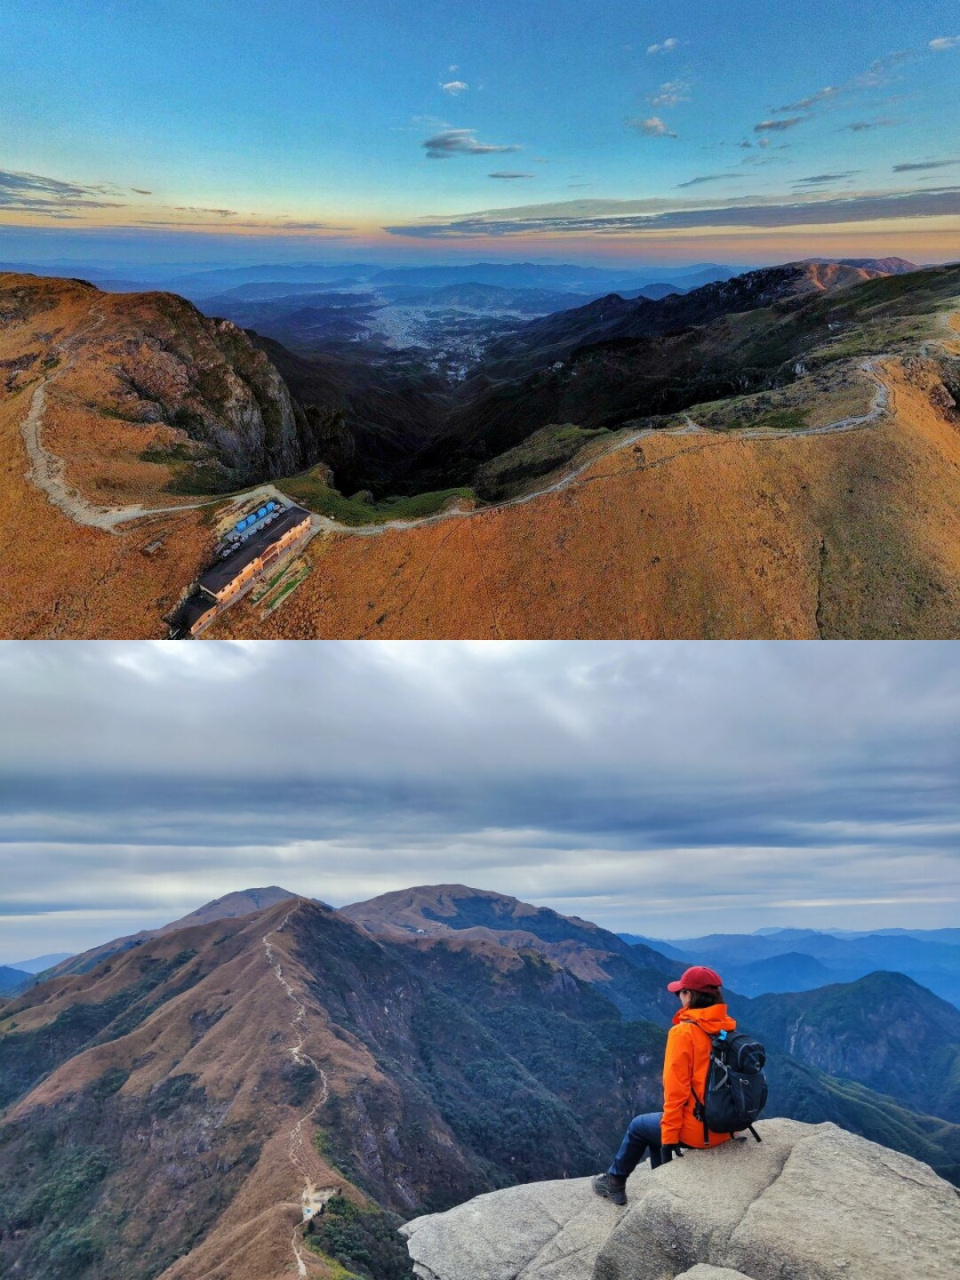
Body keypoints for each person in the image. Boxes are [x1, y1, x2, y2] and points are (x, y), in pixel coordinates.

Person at [592, 965, 736, 1206]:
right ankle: (662, 1181)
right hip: (727, 1124)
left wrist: (669, 1138)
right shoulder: (726, 1026)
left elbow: (676, 1091)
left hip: (701, 1131)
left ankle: (614, 1181)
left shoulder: (683, 1033)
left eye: (681, 992)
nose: (678, 996)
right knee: (653, 1127)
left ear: (689, 996)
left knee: (639, 1126)